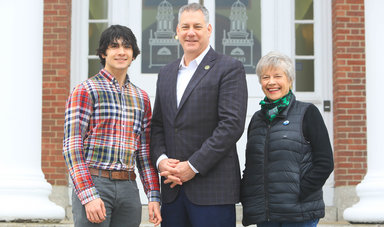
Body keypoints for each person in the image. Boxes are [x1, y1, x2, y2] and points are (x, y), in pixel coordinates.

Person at [150, 3, 248, 227]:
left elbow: (231, 125)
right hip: (172, 190)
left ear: (209, 30)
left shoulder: (229, 68)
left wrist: (192, 166)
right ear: (177, 31)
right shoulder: (165, 73)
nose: (190, 32)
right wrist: (161, 161)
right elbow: (157, 126)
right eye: (185, 27)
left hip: (212, 190)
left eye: (197, 26)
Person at [63, 25, 161, 227]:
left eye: (127, 46)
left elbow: (143, 153)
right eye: (114, 46)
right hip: (95, 182)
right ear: (103, 53)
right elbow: (72, 147)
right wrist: (88, 195)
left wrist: (153, 196)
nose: (121, 52)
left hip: (128, 187)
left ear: (134, 54)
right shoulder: (85, 90)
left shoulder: (141, 98)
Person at [240, 51, 334, 227]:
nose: (271, 82)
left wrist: (300, 191)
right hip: (266, 215)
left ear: (290, 80)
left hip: (299, 214)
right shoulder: (257, 120)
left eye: (278, 76)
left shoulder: (308, 113)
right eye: (265, 77)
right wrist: (247, 196)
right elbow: (252, 166)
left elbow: (325, 162)